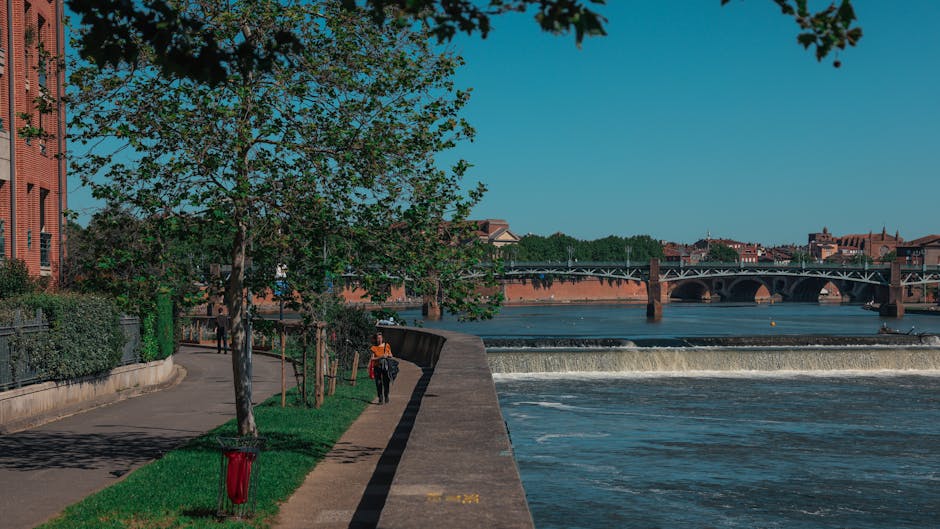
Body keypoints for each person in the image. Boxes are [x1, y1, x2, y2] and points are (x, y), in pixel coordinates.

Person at [369, 331, 393, 404]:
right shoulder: (374, 347)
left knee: (386, 382)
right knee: (378, 383)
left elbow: (391, 355)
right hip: (377, 367)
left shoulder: (387, 345)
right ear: (375, 339)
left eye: (380, 338)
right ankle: (380, 398)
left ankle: (386, 395)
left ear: (382, 338)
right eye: (377, 338)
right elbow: (372, 359)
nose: (379, 340)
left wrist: (388, 355)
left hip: (385, 366)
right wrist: (381, 357)